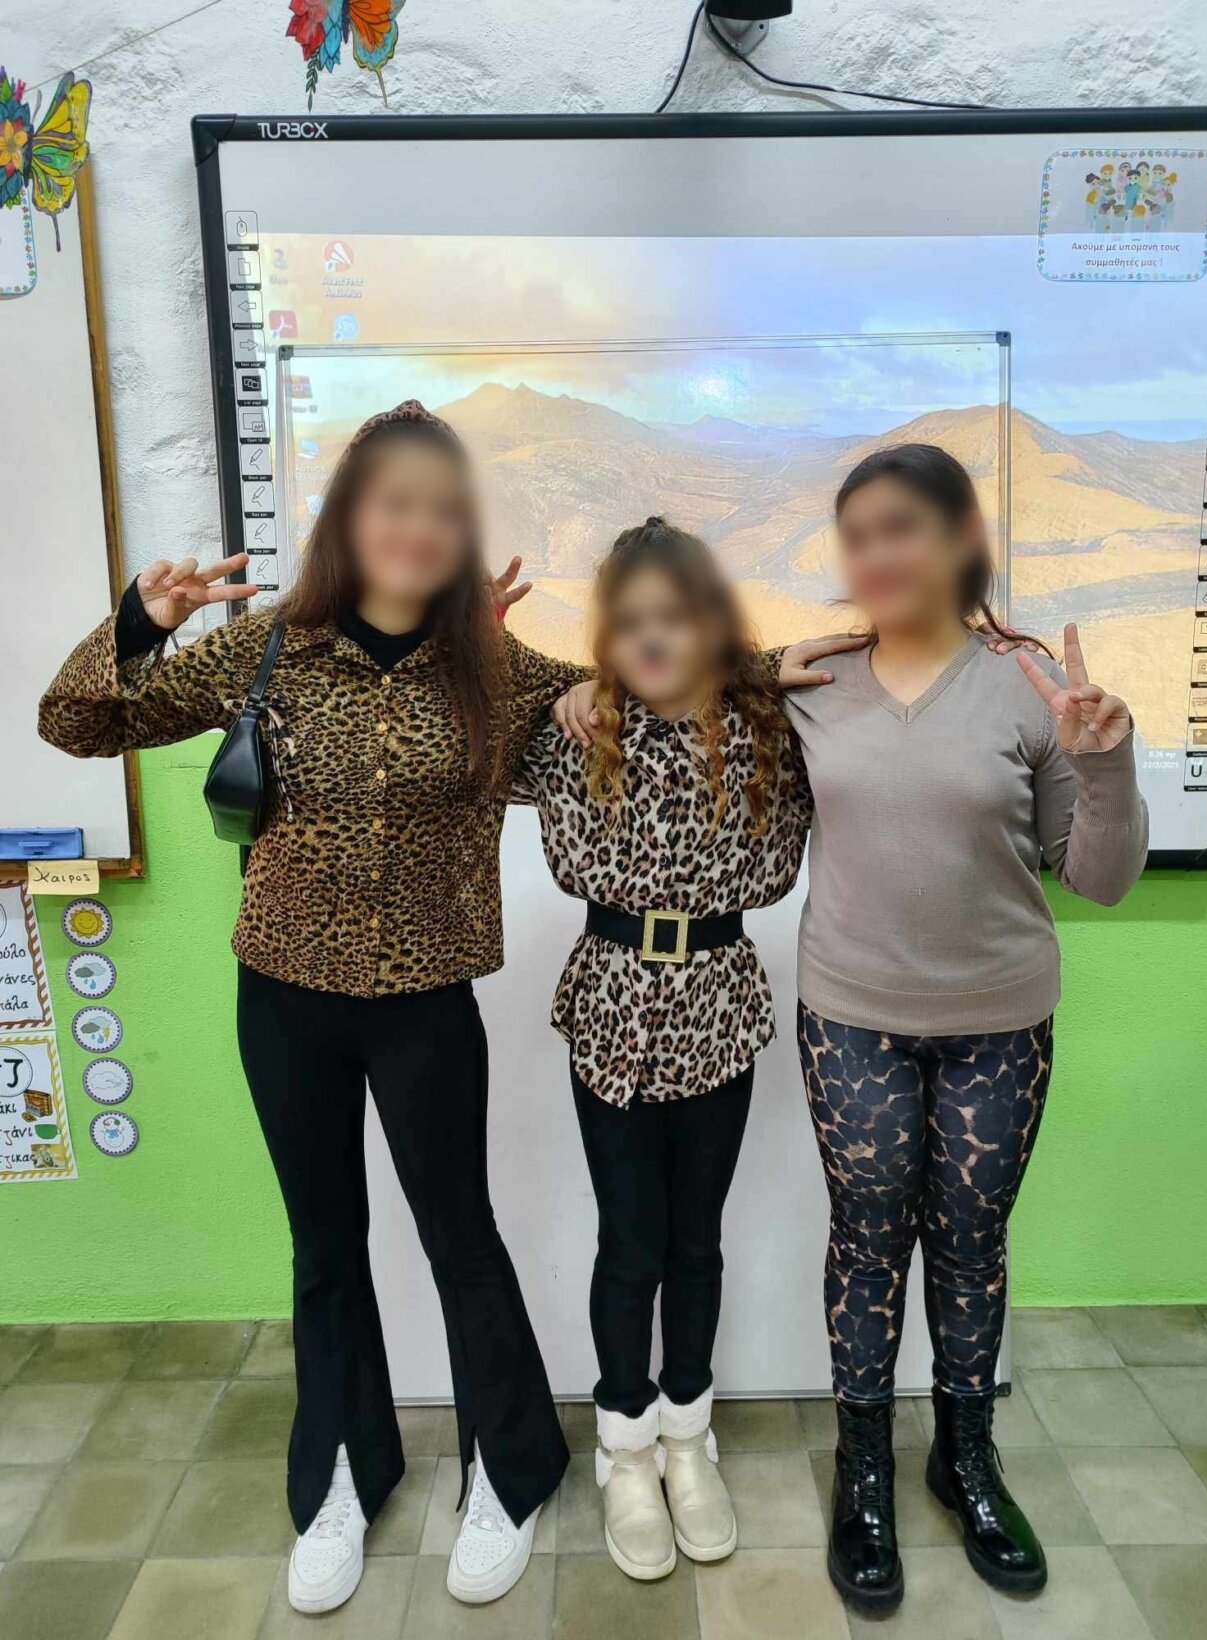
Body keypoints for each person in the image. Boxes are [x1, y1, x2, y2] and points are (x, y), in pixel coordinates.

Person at [39, 400, 589, 1615]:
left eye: (442, 508)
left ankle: (508, 1470)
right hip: (283, 995)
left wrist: (770, 665)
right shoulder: (269, 651)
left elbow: (645, 690)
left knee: (460, 1236)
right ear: (348, 517)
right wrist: (142, 620)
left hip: (427, 1002)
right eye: (394, 502)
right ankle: (343, 1469)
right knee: (326, 1246)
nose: (417, 527)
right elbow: (75, 721)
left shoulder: (494, 668)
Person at [785, 444, 1147, 1612]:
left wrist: (1107, 763)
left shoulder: (1028, 682)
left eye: (901, 527)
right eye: (857, 535)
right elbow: (674, 685)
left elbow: (1100, 878)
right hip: (852, 1015)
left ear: (958, 538)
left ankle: (965, 1457)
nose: (876, 554)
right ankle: (864, 1475)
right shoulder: (813, 678)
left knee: (972, 1242)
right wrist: (739, 668)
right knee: (866, 1240)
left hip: (999, 1021)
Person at [516, 518, 842, 1581]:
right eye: (632, 623)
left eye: (677, 618)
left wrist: (754, 673)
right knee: (631, 1240)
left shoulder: (765, 730)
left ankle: (689, 1437)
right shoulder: (575, 729)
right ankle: (625, 1445)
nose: (654, 639)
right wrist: (574, 695)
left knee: (696, 1237)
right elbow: (507, 754)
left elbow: (784, 844)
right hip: (612, 1000)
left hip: (719, 998)